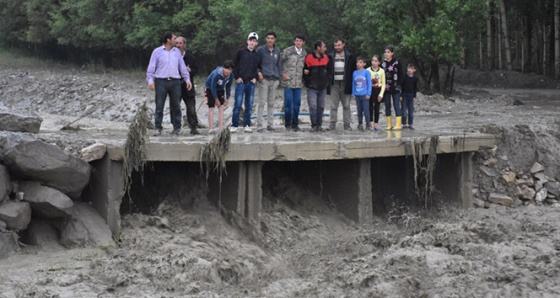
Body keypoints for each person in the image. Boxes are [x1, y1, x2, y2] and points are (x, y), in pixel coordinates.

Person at [146, 31, 192, 136]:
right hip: (161, 81)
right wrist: (150, 80)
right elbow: (151, 67)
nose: (176, 41)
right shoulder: (157, 52)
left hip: (175, 81)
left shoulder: (177, 52)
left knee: (176, 105)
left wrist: (187, 79)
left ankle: (176, 128)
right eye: (174, 38)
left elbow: (182, 67)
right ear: (168, 40)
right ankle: (158, 127)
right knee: (159, 105)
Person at [231, 32, 261, 133]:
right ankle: (234, 125)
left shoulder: (257, 55)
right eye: (250, 40)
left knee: (249, 105)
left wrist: (256, 78)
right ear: (247, 41)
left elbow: (259, 68)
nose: (252, 42)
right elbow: (233, 64)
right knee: (238, 104)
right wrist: (236, 77)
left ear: (256, 43)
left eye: (254, 41)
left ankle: (247, 124)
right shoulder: (240, 52)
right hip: (241, 82)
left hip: (251, 84)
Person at [328, 38, 356, 131]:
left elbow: (353, 72)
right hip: (334, 83)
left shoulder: (350, 57)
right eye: (335, 45)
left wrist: (352, 85)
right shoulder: (330, 56)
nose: (337, 47)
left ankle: (347, 124)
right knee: (333, 105)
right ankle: (332, 124)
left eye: (339, 45)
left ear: (343, 44)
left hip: (345, 83)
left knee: (347, 105)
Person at [255, 31, 282, 132]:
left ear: (275, 39)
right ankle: (259, 124)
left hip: (274, 80)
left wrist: (278, 78)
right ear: (266, 39)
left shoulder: (277, 51)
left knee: (271, 103)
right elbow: (256, 63)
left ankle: (270, 124)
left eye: (272, 38)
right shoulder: (261, 50)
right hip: (264, 79)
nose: (270, 40)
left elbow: (279, 65)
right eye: (268, 38)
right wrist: (258, 72)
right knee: (262, 102)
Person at [280, 34, 307, 132]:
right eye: (296, 40)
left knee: (297, 105)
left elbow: (306, 67)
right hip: (288, 82)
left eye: (300, 41)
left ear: (303, 42)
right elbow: (278, 62)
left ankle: (295, 124)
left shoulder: (304, 53)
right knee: (288, 105)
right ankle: (287, 125)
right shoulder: (287, 51)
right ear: (294, 41)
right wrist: (281, 73)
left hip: (299, 83)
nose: (298, 42)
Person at [303, 40, 330, 132]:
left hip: (322, 87)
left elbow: (329, 71)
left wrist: (327, 82)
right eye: (323, 47)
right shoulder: (309, 58)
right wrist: (307, 82)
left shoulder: (326, 57)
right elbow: (305, 72)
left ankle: (319, 125)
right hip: (312, 87)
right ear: (318, 48)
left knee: (321, 106)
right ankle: (314, 125)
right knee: (313, 106)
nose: (325, 49)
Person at [175, 36, 200, 135]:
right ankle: (176, 127)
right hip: (176, 86)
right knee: (175, 107)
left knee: (191, 108)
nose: (178, 45)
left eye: (180, 43)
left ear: (184, 45)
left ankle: (193, 127)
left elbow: (196, 71)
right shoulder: (171, 57)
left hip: (188, 86)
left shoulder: (190, 57)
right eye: (176, 43)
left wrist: (190, 71)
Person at [205, 60, 234, 134]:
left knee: (221, 107)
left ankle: (221, 128)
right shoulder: (216, 74)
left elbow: (228, 86)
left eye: (229, 69)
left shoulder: (230, 76)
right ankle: (211, 128)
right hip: (209, 88)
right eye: (226, 68)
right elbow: (212, 86)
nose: (227, 71)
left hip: (220, 89)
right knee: (211, 107)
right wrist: (216, 99)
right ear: (223, 68)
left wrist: (227, 98)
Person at [381, 45, 403, 130]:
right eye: (385, 52)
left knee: (396, 105)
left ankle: (398, 124)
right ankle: (389, 124)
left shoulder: (397, 63)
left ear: (392, 53)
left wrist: (399, 85)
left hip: (395, 87)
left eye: (388, 52)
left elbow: (401, 75)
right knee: (387, 105)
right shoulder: (382, 63)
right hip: (386, 87)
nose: (386, 54)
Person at [352, 57, 372, 131]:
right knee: (359, 111)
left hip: (365, 95)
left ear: (364, 64)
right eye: (357, 62)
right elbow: (353, 84)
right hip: (357, 95)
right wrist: (353, 94)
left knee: (366, 111)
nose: (358, 64)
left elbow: (369, 84)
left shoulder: (366, 72)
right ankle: (360, 124)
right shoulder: (354, 73)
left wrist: (368, 94)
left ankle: (368, 125)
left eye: (360, 62)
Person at [367, 54, 386, 131]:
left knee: (377, 108)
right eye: (372, 60)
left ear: (379, 62)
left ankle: (376, 124)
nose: (373, 62)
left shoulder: (382, 71)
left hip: (378, 90)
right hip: (370, 90)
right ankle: (371, 124)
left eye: (375, 61)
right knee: (370, 107)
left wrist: (381, 94)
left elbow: (384, 83)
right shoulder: (367, 70)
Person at [401, 63, 419, 129]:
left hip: (411, 95)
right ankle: (404, 123)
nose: (409, 70)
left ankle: (410, 124)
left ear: (414, 70)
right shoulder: (404, 76)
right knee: (403, 110)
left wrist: (414, 96)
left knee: (411, 111)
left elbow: (415, 88)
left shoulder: (415, 78)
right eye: (409, 68)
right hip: (404, 94)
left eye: (411, 69)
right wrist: (401, 95)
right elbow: (401, 86)